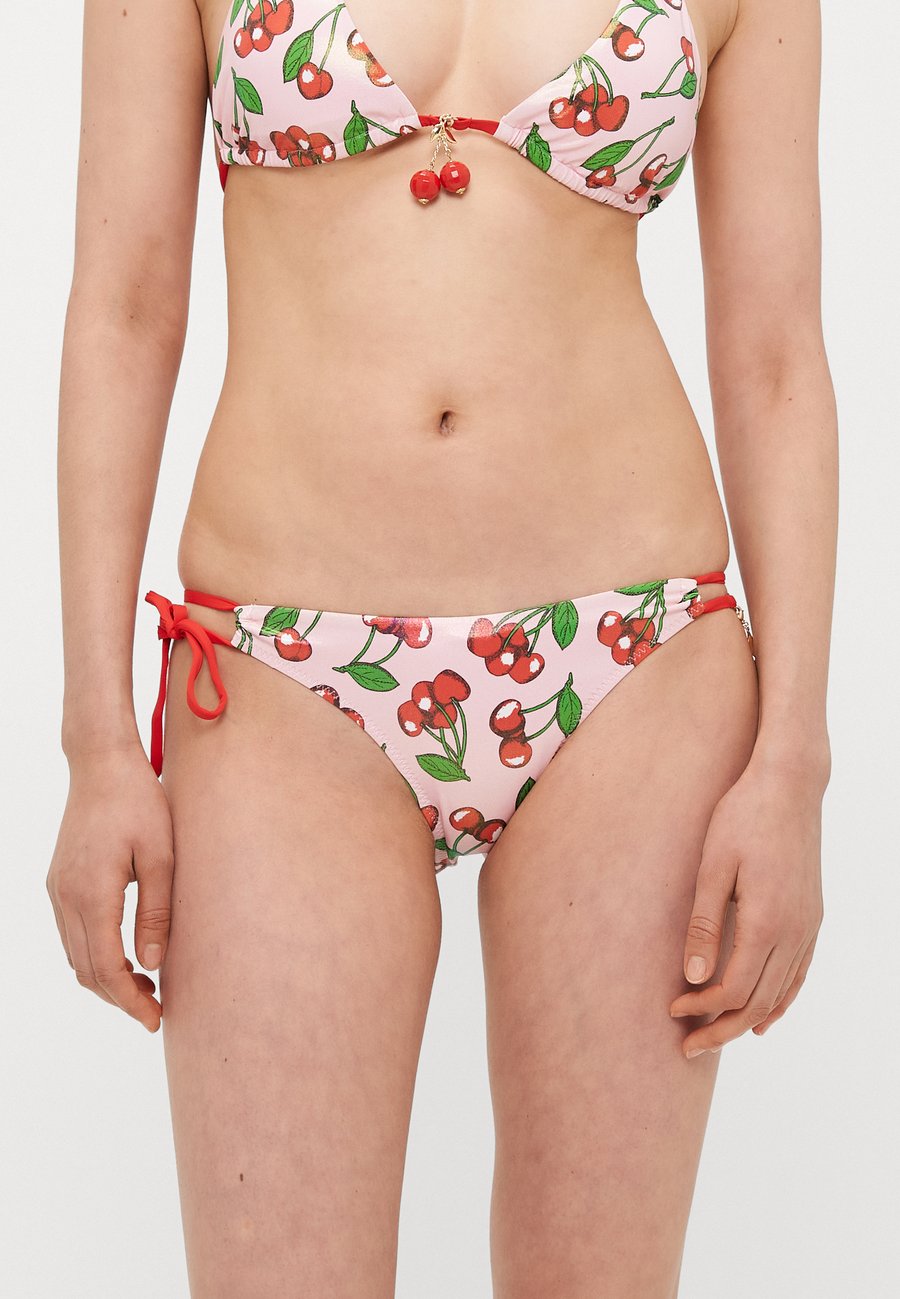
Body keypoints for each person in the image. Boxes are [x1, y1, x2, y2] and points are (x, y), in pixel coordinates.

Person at [47, 0, 836, 1293]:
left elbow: (777, 356)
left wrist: (794, 758)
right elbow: (124, 310)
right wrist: (96, 741)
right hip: (278, 672)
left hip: (635, 664)